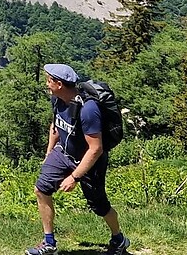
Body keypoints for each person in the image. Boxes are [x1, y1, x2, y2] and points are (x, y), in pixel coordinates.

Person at [26, 63, 129, 255]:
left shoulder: (88, 110)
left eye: (49, 81)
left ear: (59, 84)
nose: (47, 84)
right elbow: (55, 125)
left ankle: (119, 239)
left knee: (99, 205)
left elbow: (96, 149)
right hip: (63, 152)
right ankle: (49, 243)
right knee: (41, 189)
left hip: (89, 162)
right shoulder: (58, 99)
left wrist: (74, 177)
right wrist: (49, 152)